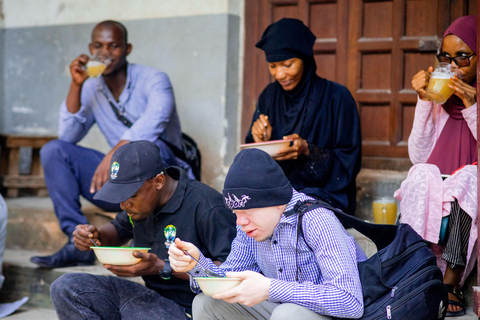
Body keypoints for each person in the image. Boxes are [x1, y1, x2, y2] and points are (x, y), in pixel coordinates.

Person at [31, 20, 194, 269]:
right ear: (90, 47)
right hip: (120, 187)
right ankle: (80, 242)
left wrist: (116, 153)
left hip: (161, 185)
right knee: (54, 150)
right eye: (99, 46)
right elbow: (68, 135)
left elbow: (156, 119)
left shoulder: (154, 79)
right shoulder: (91, 86)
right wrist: (76, 85)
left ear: (127, 49)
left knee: (154, 150)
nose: (105, 53)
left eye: (113, 46)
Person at [169, 148, 366, 319]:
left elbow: (350, 301)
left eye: (248, 212)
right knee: (206, 303)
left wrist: (270, 288)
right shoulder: (249, 229)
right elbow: (230, 280)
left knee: (287, 314)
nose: (240, 222)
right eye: (236, 213)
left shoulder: (316, 220)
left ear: (277, 201)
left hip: (334, 316)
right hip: (281, 311)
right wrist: (196, 264)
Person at [49, 140, 236, 319]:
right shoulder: (139, 205)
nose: (123, 205)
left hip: (188, 309)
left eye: (130, 195)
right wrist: (94, 237)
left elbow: (230, 273)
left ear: (159, 181)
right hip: (145, 299)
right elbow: (116, 230)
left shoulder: (207, 206)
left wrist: (162, 267)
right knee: (66, 287)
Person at [395, 15, 477, 317]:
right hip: (440, 191)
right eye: (446, 57)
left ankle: (451, 281)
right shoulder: (440, 98)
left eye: (463, 58)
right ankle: (413, 268)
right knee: (420, 173)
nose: (453, 66)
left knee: (470, 176)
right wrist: (425, 100)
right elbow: (418, 155)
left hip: (469, 199)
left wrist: (473, 107)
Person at [245, 18, 361, 215]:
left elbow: (348, 163)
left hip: (324, 195)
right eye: (273, 66)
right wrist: (262, 143)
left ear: (305, 59)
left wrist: (308, 150)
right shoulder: (269, 96)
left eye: (287, 64)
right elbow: (252, 164)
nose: (280, 74)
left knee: (301, 212)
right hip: (277, 192)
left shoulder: (337, 97)